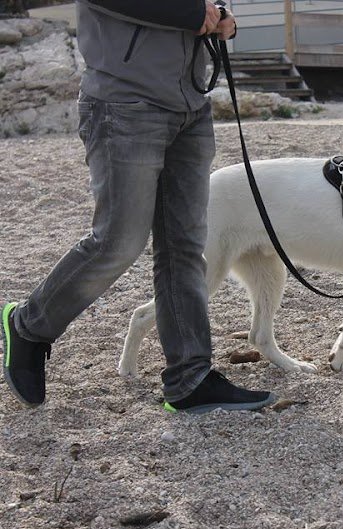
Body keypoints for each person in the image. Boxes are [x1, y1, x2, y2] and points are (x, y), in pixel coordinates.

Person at [1, 0, 277, 414]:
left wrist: (220, 15)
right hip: (123, 102)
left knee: (185, 246)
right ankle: (28, 325)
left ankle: (190, 379)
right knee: (118, 240)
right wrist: (189, 13)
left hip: (190, 106)